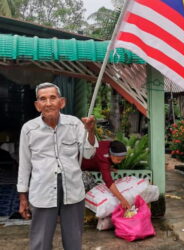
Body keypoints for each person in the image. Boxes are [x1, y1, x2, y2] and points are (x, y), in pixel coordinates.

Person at [17, 82, 98, 250]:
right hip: (42, 190)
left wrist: (90, 132)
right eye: (43, 99)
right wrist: (23, 198)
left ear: (62, 102)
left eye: (53, 98)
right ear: (37, 105)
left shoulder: (74, 124)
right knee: (40, 242)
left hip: (72, 189)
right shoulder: (29, 129)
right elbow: (24, 165)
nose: (48, 103)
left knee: (74, 241)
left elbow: (88, 153)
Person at [82, 140, 131, 209]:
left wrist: (107, 168)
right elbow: (108, 181)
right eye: (118, 159)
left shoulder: (111, 145)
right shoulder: (103, 159)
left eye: (122, 160)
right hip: (80, 167)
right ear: (111, 155)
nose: (120, 162)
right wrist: (122, 199)